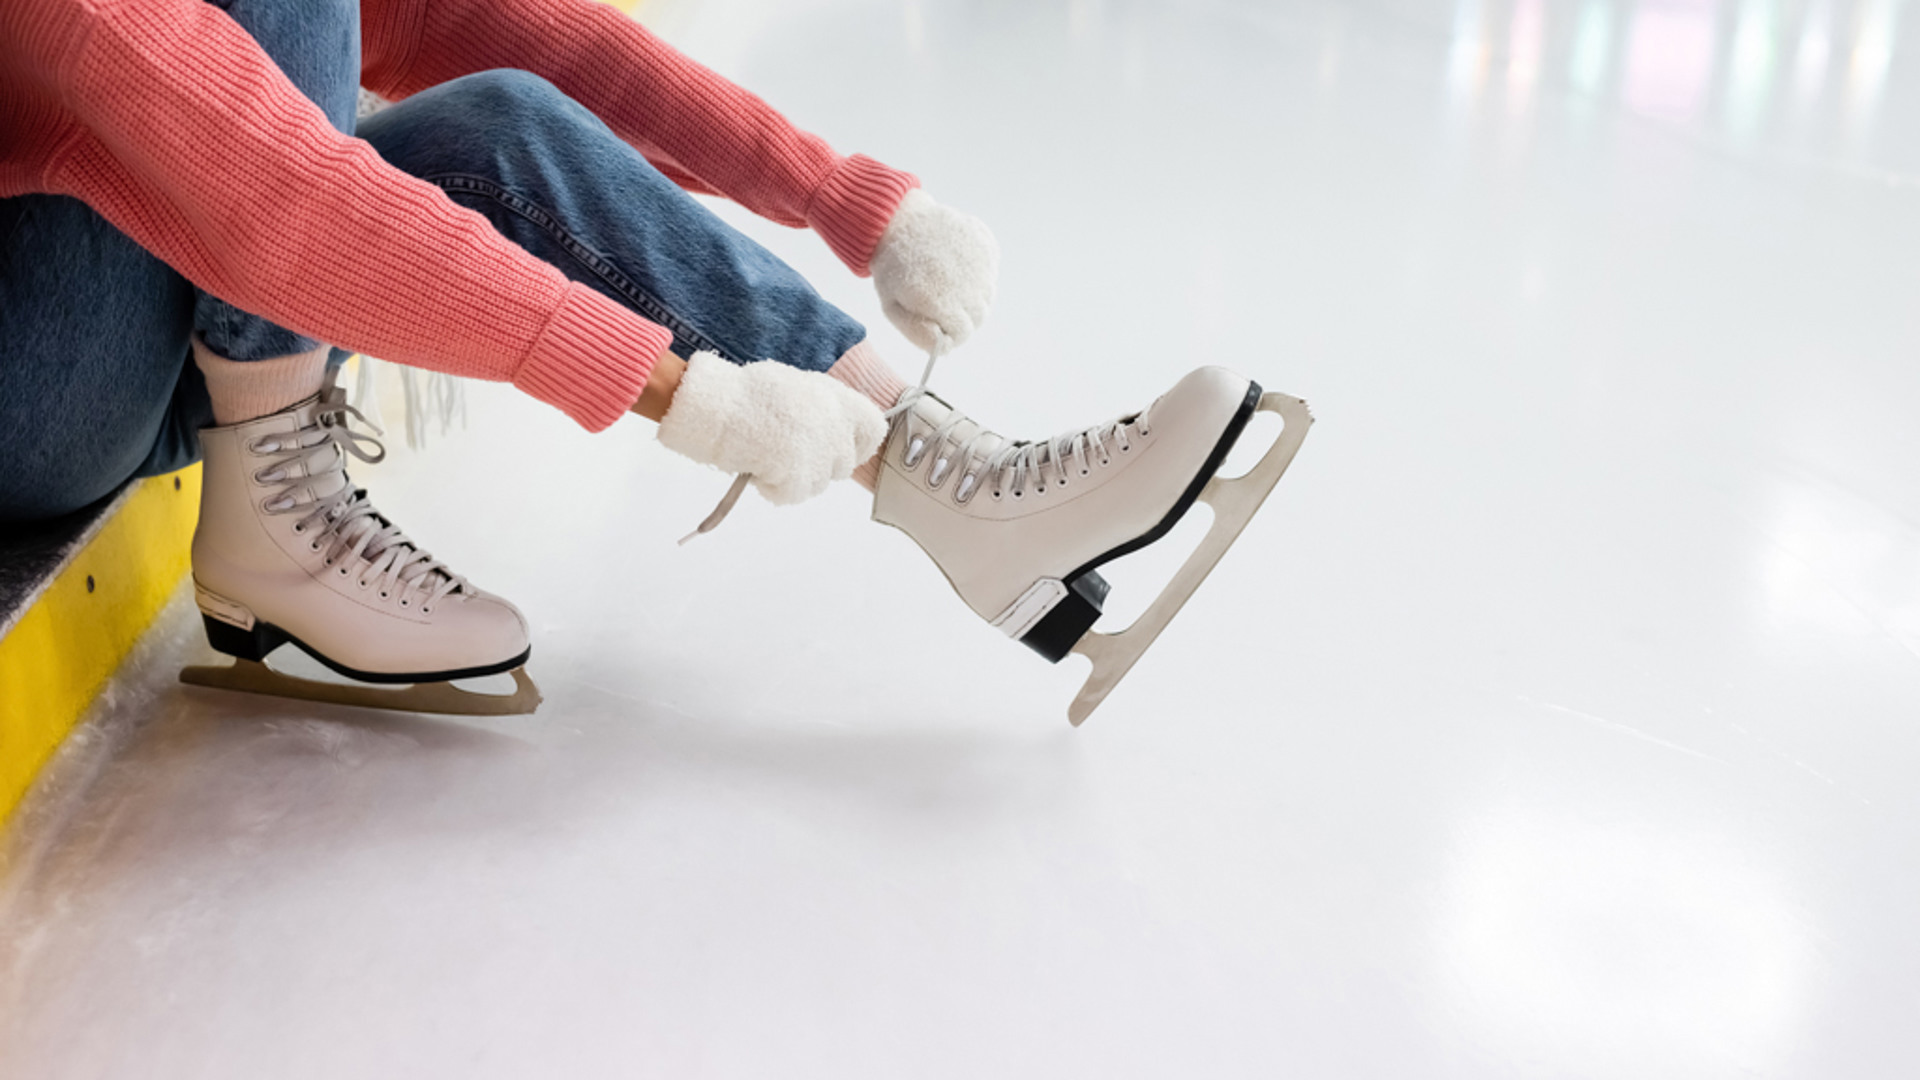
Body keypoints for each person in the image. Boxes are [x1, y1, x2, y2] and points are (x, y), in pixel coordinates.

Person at [1, 0, 1302, 721]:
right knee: (282, 137)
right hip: (29, 388)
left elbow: (477, 24)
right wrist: (684, 395)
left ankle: (953, 479)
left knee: (494, 120)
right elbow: (267, 186)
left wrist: (844, 197)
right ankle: (275, 502)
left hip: (131, 324)